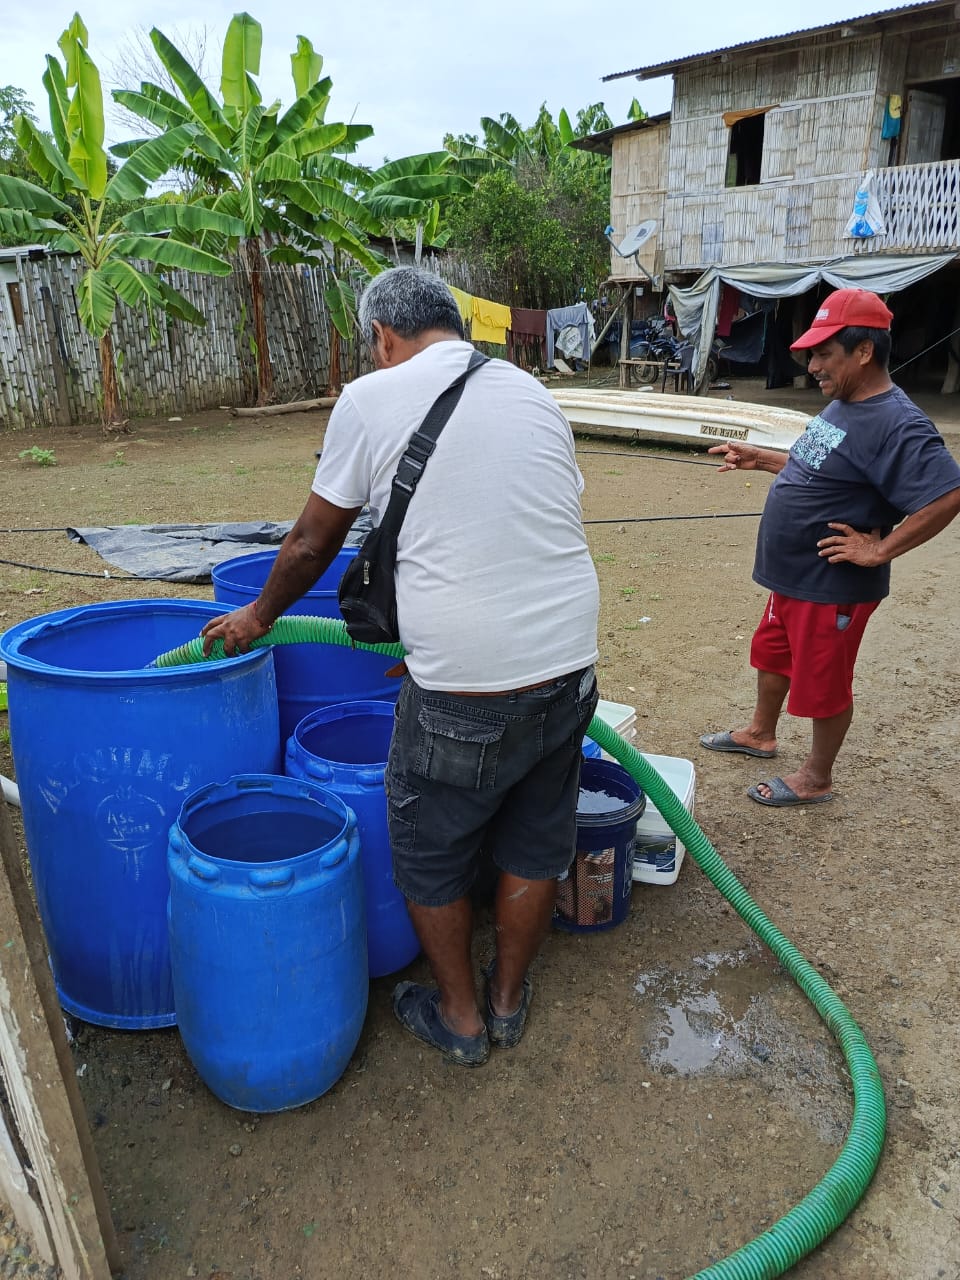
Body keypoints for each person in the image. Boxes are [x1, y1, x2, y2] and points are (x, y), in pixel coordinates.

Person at [200, 267, 600, 1066]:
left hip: (465, 687)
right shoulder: (532, 392)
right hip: (570, 664)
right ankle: (508, 1001)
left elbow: (311, 543)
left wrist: (257, 615)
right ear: (455, 324)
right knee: (534, 842)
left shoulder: (370, 398)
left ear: (383, 336)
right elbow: (517, 526)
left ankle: (461, 1019)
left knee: (427, 850)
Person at [699, 287, 960, 807]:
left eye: (823, 353)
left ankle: (817, 777)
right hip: (792, 576)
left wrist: (879, 551)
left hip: (831, 585)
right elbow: (821, 467)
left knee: (824, 681)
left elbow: (948, 494)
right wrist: (763, 458)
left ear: (863, 351)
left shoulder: (898, 422)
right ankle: (761, 733)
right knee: (773, 652)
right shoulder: (844, 404)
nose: (813, 365)